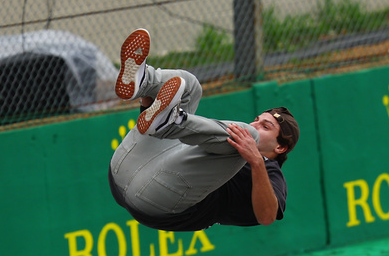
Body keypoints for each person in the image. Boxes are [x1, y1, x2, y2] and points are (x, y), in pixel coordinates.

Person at [107, 28, 300, 232]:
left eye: (265, 126)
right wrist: (150, 97)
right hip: (123, 169)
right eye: (256, 120)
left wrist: (255, 162)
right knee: (190, 86)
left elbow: (268, 217)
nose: (255, 125)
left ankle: (174, 121)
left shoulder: (270, 173)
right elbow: (149, 126)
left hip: (155, 203)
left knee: (246, 137)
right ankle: (145, 81)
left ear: (280, 147)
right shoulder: (225, 143)